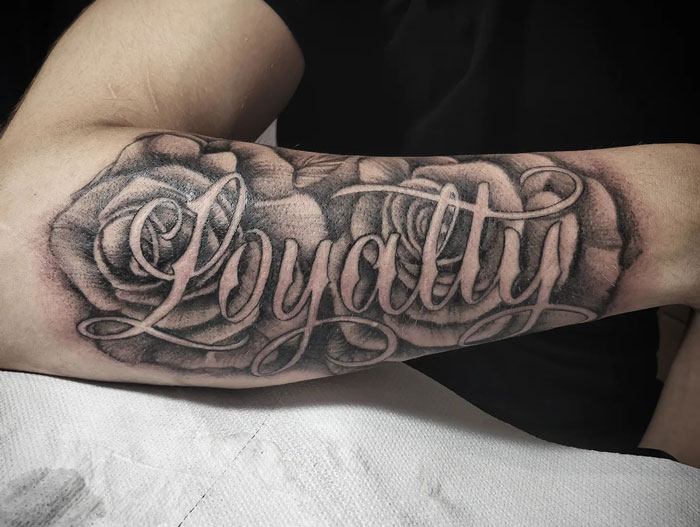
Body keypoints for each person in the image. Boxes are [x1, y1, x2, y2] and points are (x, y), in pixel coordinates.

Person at [0, 0, 698, 466]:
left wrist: (664, 475)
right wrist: (681, 208)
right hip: (308, 447)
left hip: (591, 458)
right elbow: (15, 248)